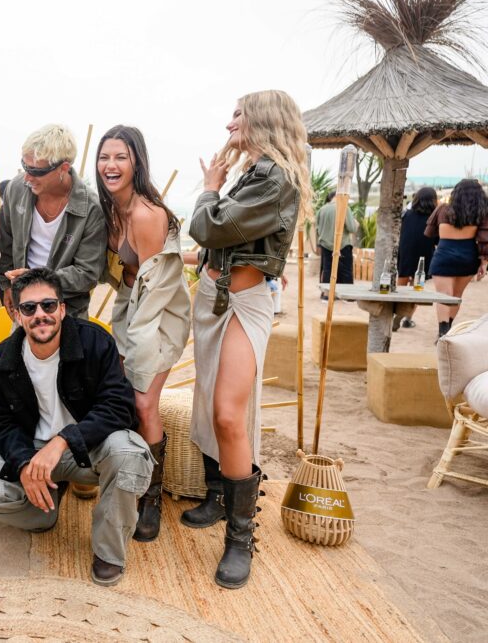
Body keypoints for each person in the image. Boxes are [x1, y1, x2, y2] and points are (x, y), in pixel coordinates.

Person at [187, 90, 309, 589]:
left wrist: (209, 189)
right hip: (214, 299)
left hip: (243, 303)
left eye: (237, 114)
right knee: (207, 400)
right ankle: (218, 496)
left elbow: (209, 227)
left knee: (228, 413)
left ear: (261, 118)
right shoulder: (254, 174)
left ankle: (241, 539)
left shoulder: (275, 180)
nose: (229, 124)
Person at [0, 268, 151, 587]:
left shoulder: (95, 342)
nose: (40, 314)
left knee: (131, 455)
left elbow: (118, 406)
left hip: (86, 449)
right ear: (17, 314)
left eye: (48, 305)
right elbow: (3, 424)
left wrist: (64, 440)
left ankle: (108, 552)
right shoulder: (3, 358)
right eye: (29, 308)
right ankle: (43, 511)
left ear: (62, 309)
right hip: (34, 452)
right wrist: (24, 464)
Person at [94, 125, 191, 542]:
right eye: (104, 157)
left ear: (137, 162)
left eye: (121, 157)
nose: (111, 165)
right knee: (123, 398)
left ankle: (151, 498)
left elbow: (156, 291)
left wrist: (133, 353)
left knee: (143, 402)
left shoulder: (147, 215)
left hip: (160, 314)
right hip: (130, 308)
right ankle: (129, 479)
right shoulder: (110, 211)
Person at [0, 123, 107, 320]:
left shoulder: (91, 209)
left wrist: (36, 281)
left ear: (63, 168)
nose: (27, 177)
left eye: (36, 171)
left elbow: (87, 273)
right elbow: (5, 242)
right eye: (25, 166)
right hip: (24, 307)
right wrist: (6, 286)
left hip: (69, 312)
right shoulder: (16, 189)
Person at [425, 179, 488, 338]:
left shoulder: (442, 209)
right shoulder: (481, 213)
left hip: (444, 255)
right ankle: (448, 330)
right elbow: (484, 239)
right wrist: (484, 263)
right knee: (456, 297)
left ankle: (443, 331)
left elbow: (429, 233)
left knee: (443, 296)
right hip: (468, 256)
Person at [396, 187, 438, 328]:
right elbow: (437, 240)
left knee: (401, 283)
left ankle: (396, 313)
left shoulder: (406, 215)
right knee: (417, 287)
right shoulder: (433, 218)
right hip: (424, 254)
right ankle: (408, 319)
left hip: (406, 251)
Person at [315, 191, 358, 299]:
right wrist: (356, 224)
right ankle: (347, 296)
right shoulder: (344, 208)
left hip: (325, 245)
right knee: (345, 271)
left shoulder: (321, 210)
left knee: (327, 270)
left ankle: (327, 294)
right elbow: (352, 228)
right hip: (343, 245)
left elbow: (318, 229)